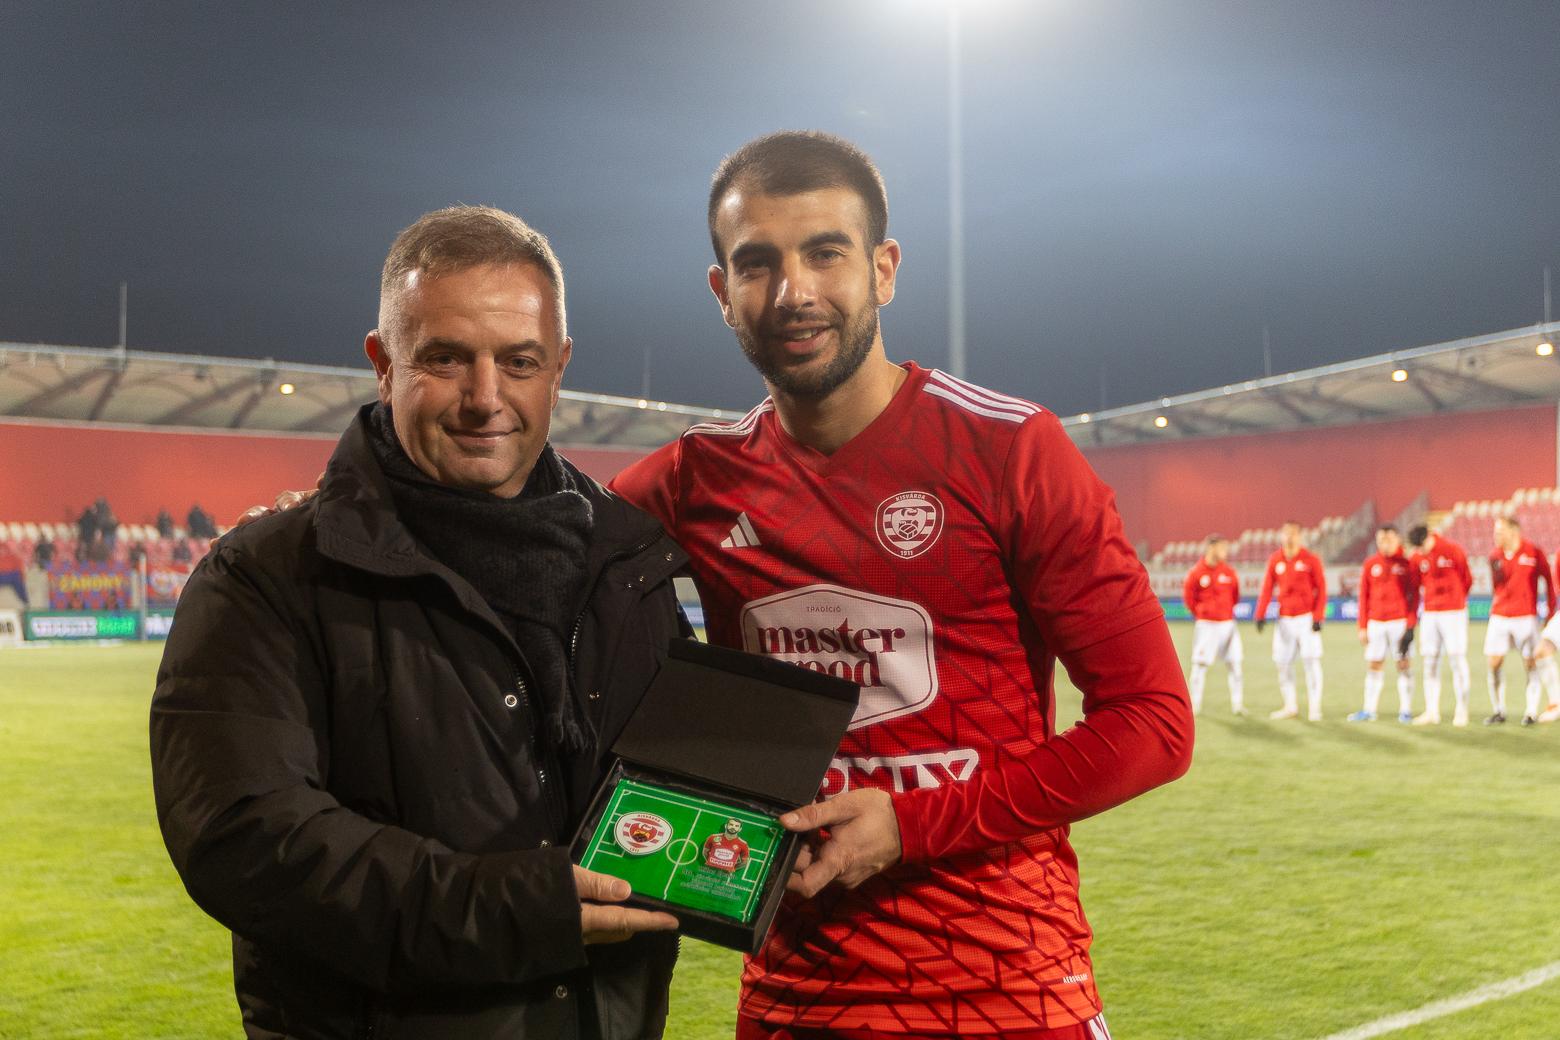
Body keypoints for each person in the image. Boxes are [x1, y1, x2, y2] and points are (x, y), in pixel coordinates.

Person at [611, 131, 1192, 1040]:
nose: (793, 292)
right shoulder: (694, 481)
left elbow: (1153, 725)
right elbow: (532, 554)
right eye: (758, 264)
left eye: (825, 253)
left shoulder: (1010, 451)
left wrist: (911, 824)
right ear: (722, 293)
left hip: (1006, 992)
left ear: (883, 270)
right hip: (793, 1000)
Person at [150, 206, 685, 1039]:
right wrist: (516, 910)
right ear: (383, 364)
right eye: (445, 358)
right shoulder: (266, 576)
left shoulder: (630, 566)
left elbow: (679, 797)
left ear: (559, 369)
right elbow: (244, 839)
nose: (485, 398)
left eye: (519, 361)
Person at [1253, 521, 1328, 721]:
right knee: (1283, 664)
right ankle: (1290, 706)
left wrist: (1318, 616)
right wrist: (1260, 614)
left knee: (1311, 662)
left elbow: (1321, 589)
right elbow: (1267, 588)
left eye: (1293, 533)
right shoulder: (1275, 560)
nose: (1289, 537)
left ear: (1300, 536)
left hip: (1306, 618)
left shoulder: (1311, 559)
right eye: (1286, 533)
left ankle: (1315, 708)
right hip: (1284, 620)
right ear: (1281, 536)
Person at [1484, 515, 1554, 725]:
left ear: (1513, 532)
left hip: (1526, 617)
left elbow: (1549, 582)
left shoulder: (1534, 552)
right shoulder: (1494, 555)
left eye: (1500, 531)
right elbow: (1496, 586)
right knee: (1493, 662)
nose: (1495, 536)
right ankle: (1499, 710)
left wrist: (1550, 614)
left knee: (1530, 663)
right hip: (1499, 615)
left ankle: (1530, 711)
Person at [1347, 525, 1418, 722]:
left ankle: (1406, 710)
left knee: (1403, 664)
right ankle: (1369, 710)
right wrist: (1362, 626)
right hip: (1376, 623)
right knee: (1374, 664)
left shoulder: (1407, 564)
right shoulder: (1371, 564)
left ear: (1397, 540)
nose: (1385, 544)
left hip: (1399, 622)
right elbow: (1364, 597)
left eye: (1389, 539)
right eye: (1381, 540)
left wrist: (1410, 624)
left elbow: (1414, 597)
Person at [1406, 524, 1473, 726]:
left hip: (1453, 612)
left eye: (1422, 546)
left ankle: (1462, 710)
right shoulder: (1417, 558)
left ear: (1429, 537)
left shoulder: (1452, 550)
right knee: (1430, 661)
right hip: (1430, 613)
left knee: (1457, 659)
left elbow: (1467, 579)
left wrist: (1456, 599)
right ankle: (1431, 711)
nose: (1421, 551)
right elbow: (1415, 585)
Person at [1183, 533, 1245, 716]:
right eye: (1222, 548)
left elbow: (1235, 596)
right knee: (1199, 666)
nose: (1225, 551)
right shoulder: (1195, 573)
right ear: (1211, 548)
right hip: (1206, 626)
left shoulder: (1229, 572)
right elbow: (1189, 599)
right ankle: (1195, 706)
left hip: (1228, 625)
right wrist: (1202, 613)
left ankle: (1238, 705)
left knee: (1235, 665)